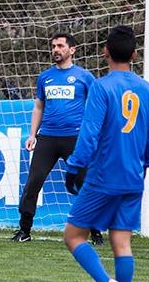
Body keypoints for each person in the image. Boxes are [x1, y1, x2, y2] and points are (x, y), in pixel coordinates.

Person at [62, 26, 149, 282]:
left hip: (104, 176)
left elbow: (89, 134)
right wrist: (145, 164)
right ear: (134, 54)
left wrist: (74, 166)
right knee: (122, 243)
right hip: (133, 176)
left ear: (105, 52)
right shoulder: (147, 89)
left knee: (73, 235)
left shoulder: (102, 88)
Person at [13, 33, 99, 244]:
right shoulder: (45, 77)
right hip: (48, 138)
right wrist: (32, 134)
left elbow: (97, 105)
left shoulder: (84, 77)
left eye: (60, 46)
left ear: (72, 50)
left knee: (84, 184)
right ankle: (24, 230)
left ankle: (95, 230)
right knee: (34, 181)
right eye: (53, 46)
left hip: (75, 139)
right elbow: (39, 106)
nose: (55, 50)